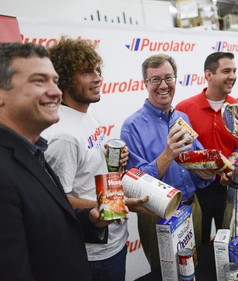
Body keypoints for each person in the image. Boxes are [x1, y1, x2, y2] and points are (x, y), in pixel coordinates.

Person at [0, 42, 119, 281]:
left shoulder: (33, 150)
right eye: (38, 81)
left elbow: (49, 216)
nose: (55, 92)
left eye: (54, 81)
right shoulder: (5, 172)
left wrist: (93, 219)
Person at [42, 38, 150, 281]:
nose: (97, 77)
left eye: (97, 70)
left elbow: (89, 169)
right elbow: (60, 201)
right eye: (87, 72)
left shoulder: (85, 116)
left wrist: (114, 160)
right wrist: (120, 205)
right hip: (94, 255)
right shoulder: (63, 135)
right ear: (66, 78)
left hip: (113, 240)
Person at [120, 53, 215, 269]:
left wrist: (206, 170)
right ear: (146, 83)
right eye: (155, 79)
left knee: (196, 269)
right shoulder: (131, 126)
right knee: (166, 275)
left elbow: (195, 161)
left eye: (168, 78)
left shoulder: (182, 118)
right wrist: (168, 154)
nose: (163, 85)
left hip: (193, 208)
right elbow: (135, 186)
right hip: (158, 217)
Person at [175, 52, 238, 244]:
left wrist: (229, 165)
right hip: (197, 192)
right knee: (199, 244)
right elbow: (179, 152)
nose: (232, 76)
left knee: (233, 243)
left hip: (231, 189)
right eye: (226, 71)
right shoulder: (184, 108)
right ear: (208, 75)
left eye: (234, 71)